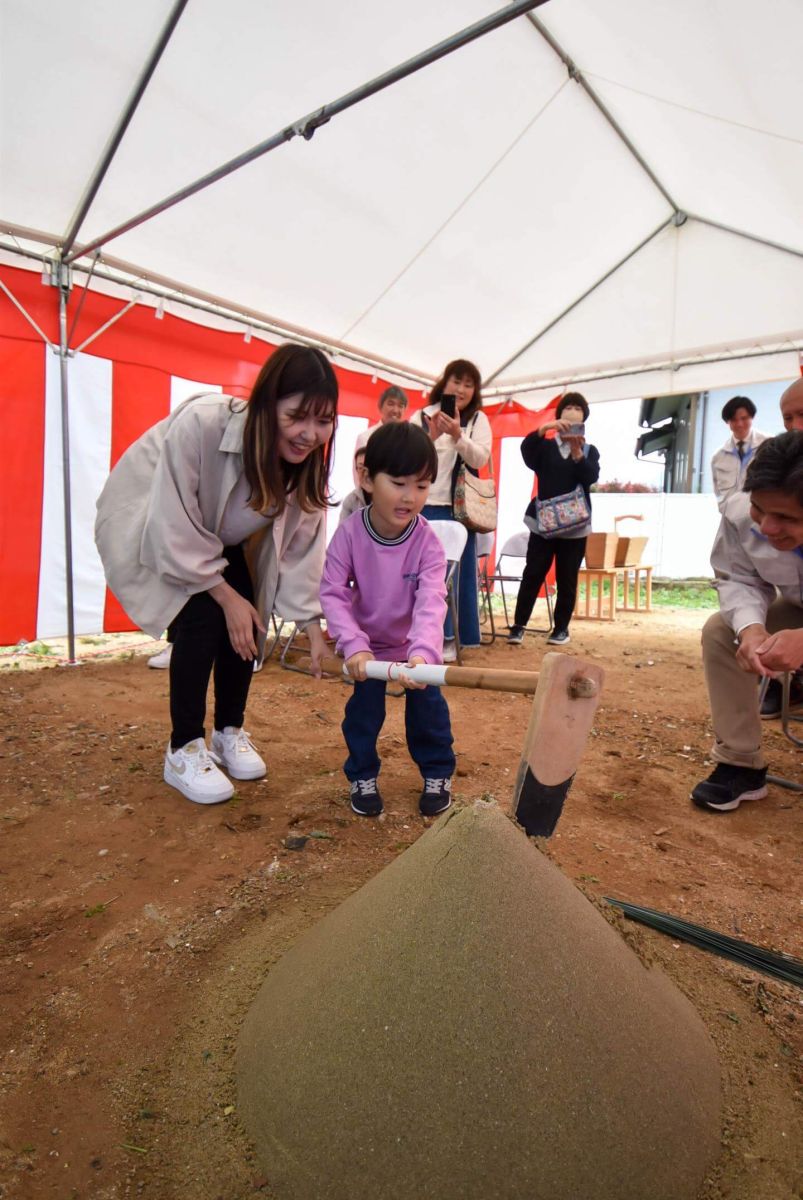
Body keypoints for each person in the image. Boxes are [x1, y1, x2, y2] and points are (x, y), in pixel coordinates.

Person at [96, 343, 336, 805]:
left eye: (322, 421)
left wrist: (312, 626)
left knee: (250, 617)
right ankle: (183, 746)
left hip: (217, 540)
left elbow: (303, 550)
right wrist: (225, 596)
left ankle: (229, 730)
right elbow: (172, 520)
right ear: (268, 404)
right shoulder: (202, 424)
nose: (309, 434)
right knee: (204, 616)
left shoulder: (304, 466)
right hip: (159, 522)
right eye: (297, 417)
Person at [320, 421, 455, 819]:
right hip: (368, 651)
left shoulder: (428, 541)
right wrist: (353, 644)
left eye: (422, 485)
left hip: (415, 649)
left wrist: (425, 655)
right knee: (363, 714)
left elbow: (432, 600)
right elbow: (333, 592)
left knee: (429, 711)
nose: (410, 497)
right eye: (398, 482)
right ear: (366, 478)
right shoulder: (349, 534)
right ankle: (362, 775)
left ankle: (437, 774)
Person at [691, 431, 803, 812]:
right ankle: (740, 764)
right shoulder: (740, 513)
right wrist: (751, 629)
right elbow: (738, 577)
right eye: (760, 509)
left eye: (786, 517)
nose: (767, 527)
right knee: (722, 631)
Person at [409, 358, 491, 660]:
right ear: (444, 383)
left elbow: (481, 459)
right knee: (417, 576)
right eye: (457, 382)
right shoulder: (421, 416)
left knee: (453, 577)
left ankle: (449, 637)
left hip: (457, 511)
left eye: (469, 385)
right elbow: (404, 456)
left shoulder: (477, 420)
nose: (461, 389)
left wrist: (458, 435)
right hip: (419, 508)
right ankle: (413, 634)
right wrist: (430, 437)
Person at [507, 393, 600, 647]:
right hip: (544, 525)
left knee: (567, 578)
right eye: (567, 407)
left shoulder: (590, 451)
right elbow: (526, 452)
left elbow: (590, 477)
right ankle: (518, 626)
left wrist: (577, 451)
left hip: (576, 527)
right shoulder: (545, 448)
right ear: (559, 415)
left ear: (584, 417)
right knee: (533, 573)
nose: (572, 410)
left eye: (577, 407)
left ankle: (561, 629)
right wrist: (544, 428)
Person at [711, 395, 768, 511]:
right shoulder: (718, 457)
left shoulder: (769, 446)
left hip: (761, 516)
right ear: (728, 422)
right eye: (734, 420)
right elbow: (717, 491)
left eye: (744, 418)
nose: (739, 424)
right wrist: (723, 508)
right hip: (729, 517)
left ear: (752, 417)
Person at [354, 385, 409, 457]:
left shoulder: (407, 440)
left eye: (400, 406)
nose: (395, 410)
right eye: (391, 404)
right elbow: (359, 467)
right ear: (380, 406)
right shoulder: (366, 437)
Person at [338, 447, 369, 526]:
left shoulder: (387, 497)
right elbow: (341, 533)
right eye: (360, 468)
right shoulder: (351, 500)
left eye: (368, 467)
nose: (365, 473)